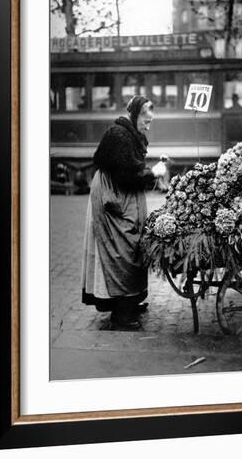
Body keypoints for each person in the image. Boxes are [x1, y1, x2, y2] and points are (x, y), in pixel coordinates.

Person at [80, 95, 165, 329]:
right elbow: (126, 176)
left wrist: (149, 173)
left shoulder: (130, 133)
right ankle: (121, 314)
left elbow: (130, 169)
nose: (148, 126)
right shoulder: (118, 135)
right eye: (146, 121)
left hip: (122, 192)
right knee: (121, 247)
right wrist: (153, 174)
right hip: (112, 196)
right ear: (135, 115)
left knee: (132, 244)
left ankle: (130, 301)